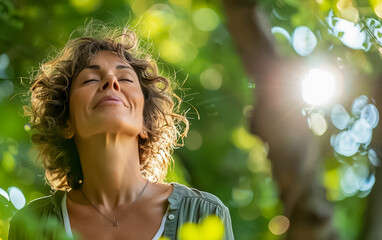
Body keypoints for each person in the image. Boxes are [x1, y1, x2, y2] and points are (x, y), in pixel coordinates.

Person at [8, 23, 234, 240]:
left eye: (125, 78)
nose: (111, 81)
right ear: (66, 123)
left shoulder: (203, 214)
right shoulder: (31, 224)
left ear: (146, 122)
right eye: (90, 80)